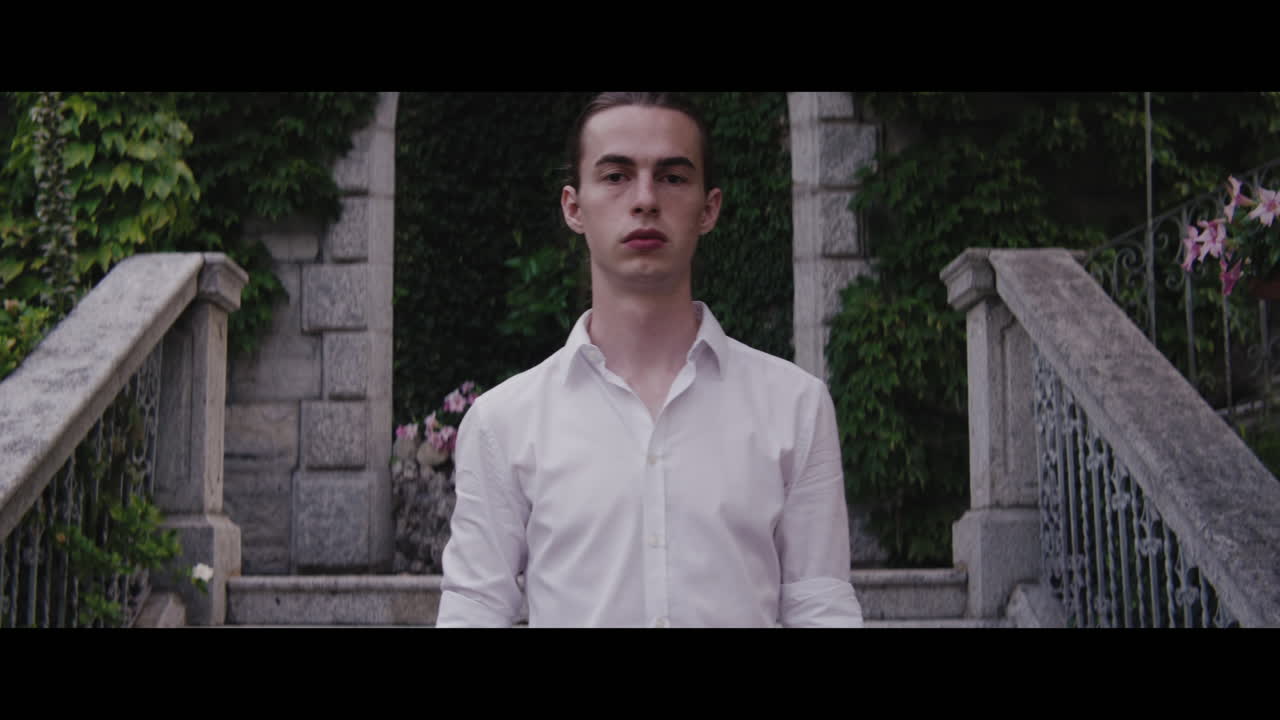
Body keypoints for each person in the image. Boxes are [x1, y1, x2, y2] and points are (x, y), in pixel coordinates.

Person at [435, 92, 863, 628]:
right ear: (573, 207)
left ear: (709, 209)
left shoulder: (795, 406)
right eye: (615, 175)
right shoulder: (504, 422)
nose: (644, 199)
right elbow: (474, 608)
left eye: (673, 177)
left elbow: (820, 607)